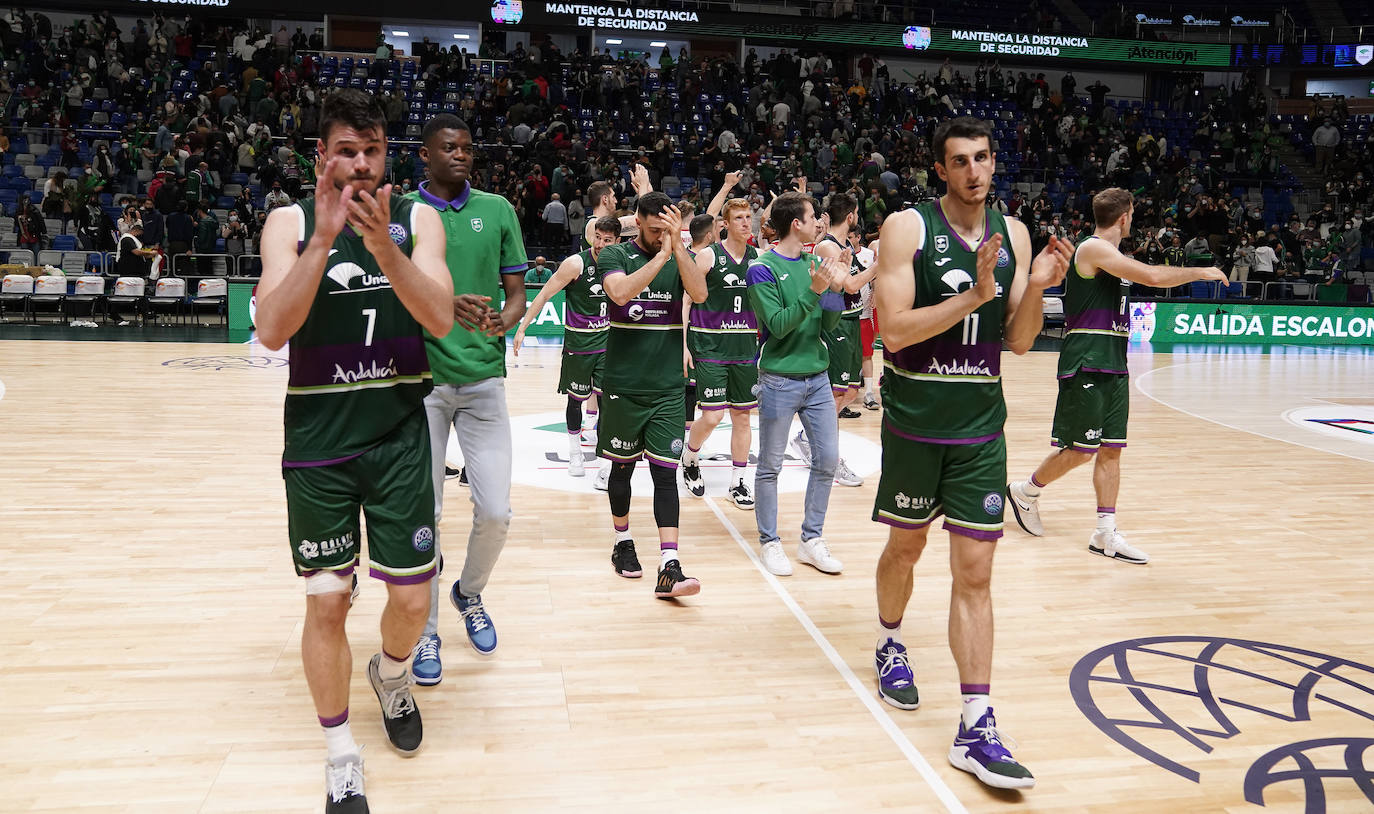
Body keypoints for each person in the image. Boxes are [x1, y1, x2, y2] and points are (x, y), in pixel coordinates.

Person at [254, 88, 454, 813]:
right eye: (347, 150)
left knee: (410, 597)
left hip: (399, 431)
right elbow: (272, 331)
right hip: (318, 442)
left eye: (372, 151)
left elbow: (438, 316)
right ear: (322, 157)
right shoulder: (288, 222)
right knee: (327, 601)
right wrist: (321, 242)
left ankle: (392, 674)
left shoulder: (418, 220)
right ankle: (341, 753)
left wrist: (381, 249)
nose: (361, 164)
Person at [870, 117, 1074, 790]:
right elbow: (894, 334)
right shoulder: (906, 228)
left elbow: (1017, 342)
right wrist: (973, 297)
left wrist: (1038, 286)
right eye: (960, 161)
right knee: (905, 549)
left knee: (977, 572)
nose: (974, 171)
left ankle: (976, 722)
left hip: (981, 425)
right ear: (941, 170)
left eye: (983, 158)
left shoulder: (1013, 235)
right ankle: (890, 641)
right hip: (914, 419)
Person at [1007, 188, 1226, 564]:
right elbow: (1154, 277)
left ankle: (1105, 533)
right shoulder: (1091, 249)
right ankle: (1025, 491)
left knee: (1111, 449)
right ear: (1125, 217)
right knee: (1080, 450)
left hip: (1114, 359)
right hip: (1087, 359)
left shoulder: (1112, 256)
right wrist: (1200, 271)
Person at [405, 114, 528, 685]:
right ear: (425, 155)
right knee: (424, 517)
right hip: (421, 382)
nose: (460, 155)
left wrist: (504, 321)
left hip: (483, 381)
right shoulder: (402, 211)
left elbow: (516, 293)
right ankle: (425, 630)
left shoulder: (498, 210)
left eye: (468, 148)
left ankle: (468, 593)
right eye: (448, 148)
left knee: (497, 511)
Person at [596, 191, 708, 598]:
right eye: (656, 229)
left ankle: (669, 564)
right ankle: (622, 541)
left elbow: (699, 294)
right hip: (624, 385)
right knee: (622, 470)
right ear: (638, 222)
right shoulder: (614, 256)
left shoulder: (680, 254)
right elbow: (620, 293)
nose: (663, 234)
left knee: (666, 473)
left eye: (668, 229)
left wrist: (678, 249)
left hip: (666, 387)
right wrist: (662, 256)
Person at [746, 191, 849, 577]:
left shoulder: (814, 263)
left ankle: (811, 539)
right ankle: (770, 542)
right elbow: (778, 324)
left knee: (826, 461)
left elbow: (826, 325)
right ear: (796, 224)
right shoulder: (762, 268)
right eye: (812, 217)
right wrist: (816, 290)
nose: (819, 223)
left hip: (818, 378)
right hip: (778, 379)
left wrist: (836, 292)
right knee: (770, 465)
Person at [513, 215, 617, 478]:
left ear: (617, 241)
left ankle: (605, 464)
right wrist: (523, 327)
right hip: (579, 346)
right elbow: (545, 293)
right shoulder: (576, 264)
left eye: (607, 240)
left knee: (609, 404)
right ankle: (574, 453)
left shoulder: (620, 263)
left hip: (609, 345)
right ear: (591, 236)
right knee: (575, 401)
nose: (601, 244)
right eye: (598, 238)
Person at [681, 198, 759, 509]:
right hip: (710, 346)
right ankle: (690, 455)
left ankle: (738, 482)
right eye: (738, 217)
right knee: (713, 415)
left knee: (742, 417)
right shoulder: (707, 257)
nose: (745, 222)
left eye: (748, 216)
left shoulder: (759, 259)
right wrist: (683, 344)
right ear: (723, 224)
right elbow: (686, 302)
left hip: (744, 350)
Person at [804, 192, 877, 487]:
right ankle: (829, 459)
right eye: (857, 213)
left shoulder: (846, 244)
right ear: (851, 216)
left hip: (854, 321)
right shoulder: (827, 246)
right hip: (837, 324)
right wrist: (878, 266)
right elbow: (849, 285)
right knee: (835, 395)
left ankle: (805, 438)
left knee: (848, 393)